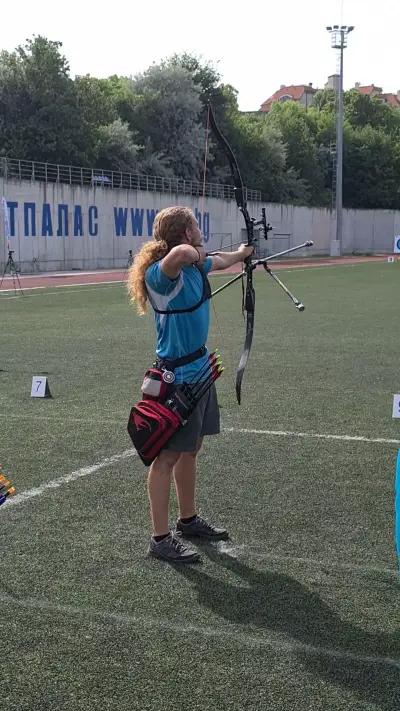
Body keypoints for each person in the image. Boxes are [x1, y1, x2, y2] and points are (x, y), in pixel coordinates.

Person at [127, 206, 253, 563]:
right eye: (195, 225)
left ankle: (188, 519)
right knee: (165, 456)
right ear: (184, 233)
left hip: (200, 372)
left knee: (192, 448)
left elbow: (222, 260)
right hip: (175, 379)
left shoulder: (196, 265)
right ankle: (159, 538)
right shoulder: (162, 274)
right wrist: (200, 255)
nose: (201, 229)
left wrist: (244, 253)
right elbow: (184, 254)